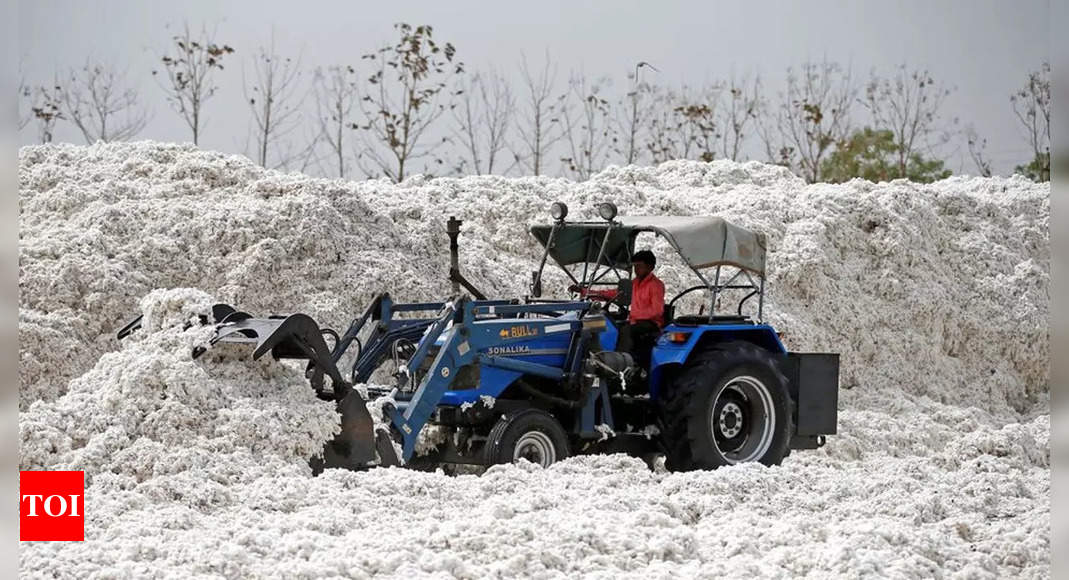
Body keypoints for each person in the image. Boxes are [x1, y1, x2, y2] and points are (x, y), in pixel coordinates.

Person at [570, 250, 665, 368]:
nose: (636, 270)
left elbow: (657, 310)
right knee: (608, 325)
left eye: (639, 266)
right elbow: (613, 293)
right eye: (635, 266)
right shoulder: (634, 283)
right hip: (634, 321)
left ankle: (620, 364)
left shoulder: (656, 285)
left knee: (626, 330)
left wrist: (635, 314)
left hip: (650, 323)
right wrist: (585, 292)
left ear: (650, 267)